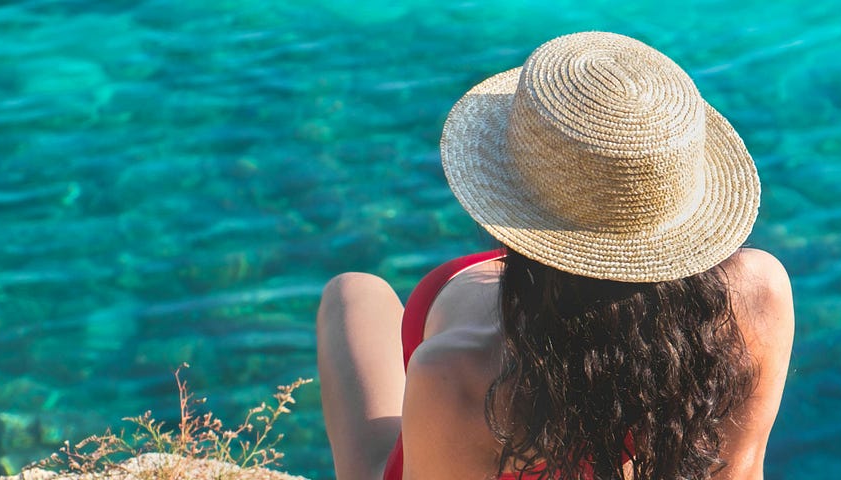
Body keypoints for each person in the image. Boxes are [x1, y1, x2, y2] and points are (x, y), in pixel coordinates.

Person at [316, 31, 794, 480]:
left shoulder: (457, 369)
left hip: (453, 426)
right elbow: (738, 471)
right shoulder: (760, 296)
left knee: (353, 292)